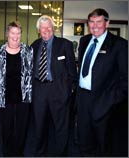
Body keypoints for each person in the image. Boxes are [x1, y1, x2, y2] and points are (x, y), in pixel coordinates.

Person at [76, 8, 128, 156]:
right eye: (91, 22)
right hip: (83, 100)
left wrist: (111, 101)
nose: (95, 25)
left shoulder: (120, 45)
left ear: (107, 23)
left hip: (105, 102)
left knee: (104, 145)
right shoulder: (84, 40)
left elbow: (126, 79)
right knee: (83, 141)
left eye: (99, 22)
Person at [31, 15, 77, 156]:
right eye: (43, 28)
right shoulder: (35, 45)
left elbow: (72, 72)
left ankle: (61, 154)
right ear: (38, 30)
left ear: (53, 28)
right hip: (39, 89)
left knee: (61, 127)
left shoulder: (65, 44)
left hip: (59, 90)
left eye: (49, 27)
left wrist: (68, 90)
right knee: (39, 126)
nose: (46, 30)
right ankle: (40, 153)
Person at [0, 21, 33, 156]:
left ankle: (19, 154)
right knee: (6, 131)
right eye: (12, 33)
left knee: (21, 131)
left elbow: (31, 72)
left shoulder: (28, 51)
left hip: (23, 99)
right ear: (7, 34)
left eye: (18, 33)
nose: (15, 36)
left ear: (21, 34)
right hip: (3, 100)